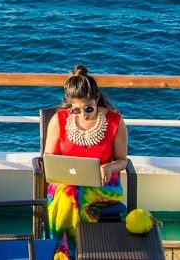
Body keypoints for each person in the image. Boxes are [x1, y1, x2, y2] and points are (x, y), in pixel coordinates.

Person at [45, 64, 129, 258]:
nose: (83, 114)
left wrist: (108, 166)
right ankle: (80, 251)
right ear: (70, 105)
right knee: (69, 193)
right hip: (65, 184)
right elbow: (49, 158)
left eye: (88, 108)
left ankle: (66, 253)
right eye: (76, 110)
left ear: (97, 99)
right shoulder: (59, 120)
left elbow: (122, 161)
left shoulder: (115, 122)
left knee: (74, 195)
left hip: (104, 184)